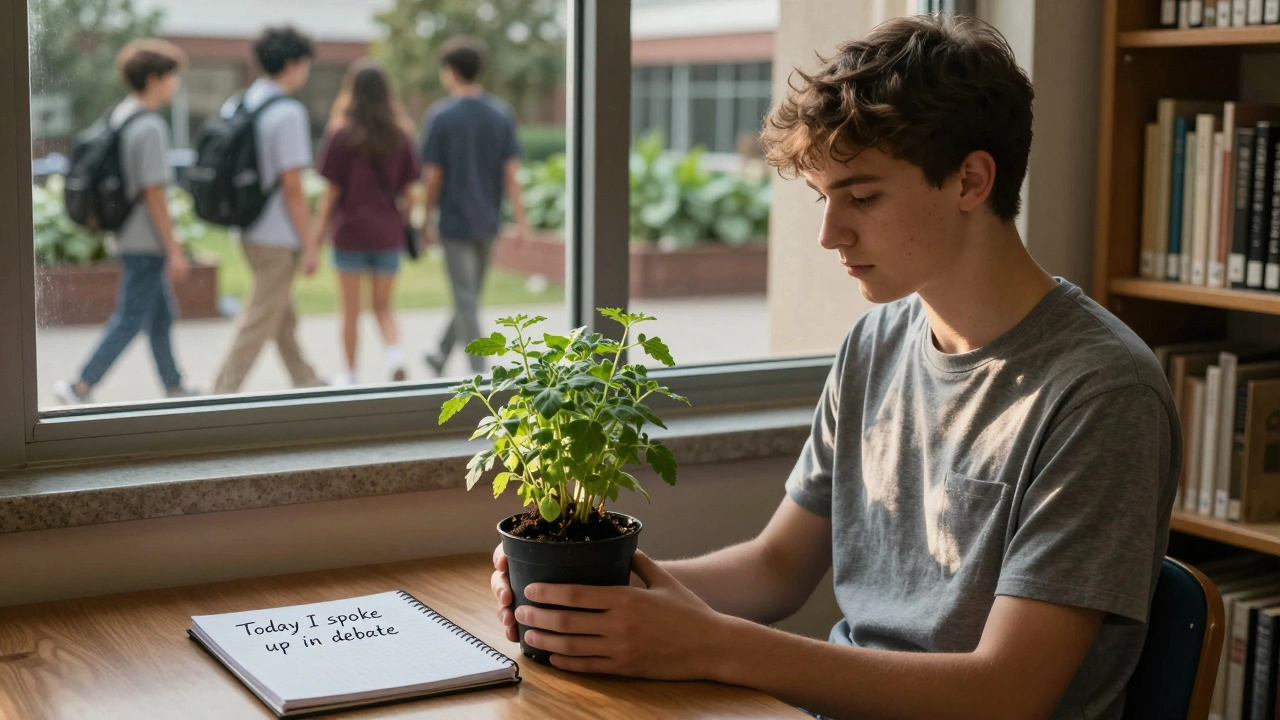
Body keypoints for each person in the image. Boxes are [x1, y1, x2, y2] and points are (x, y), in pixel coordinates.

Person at [488, 14, 1180, 720]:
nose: (828, 234)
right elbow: (776, 568)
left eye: (863, 196)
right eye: (823, 198)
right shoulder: (875, 343)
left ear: (971, 180)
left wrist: (708, 647)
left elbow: (1006, 693)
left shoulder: (1102, 391)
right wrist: (598, 597)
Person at [54, 39, 199, 404]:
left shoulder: (121, 114)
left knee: (160, 317)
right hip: (144, 239)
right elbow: (154, 193)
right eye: (172, 77)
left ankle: (175, 387)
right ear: (153, 79)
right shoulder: (149, 126)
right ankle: (80, 385)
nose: (175, 85)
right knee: (130, 317)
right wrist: (174, 248)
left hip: (125, 232)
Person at [211, 26, 323, 395]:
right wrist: (309, 243)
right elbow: (292, 186)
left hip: (247, 228)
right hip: (277, 234)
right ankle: (220, 394)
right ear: (293, 63)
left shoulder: (240, 102)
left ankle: (306, 379)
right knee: (260, 318)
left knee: (281, 314)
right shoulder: (288, 112)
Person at [418, 36, 530, 377]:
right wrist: (521, 219)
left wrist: (425, 219)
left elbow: (433, 177)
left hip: (455, 223)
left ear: (450, 71)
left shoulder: (440, 116)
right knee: (468, 297)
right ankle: (440, 354)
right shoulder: (501, 113)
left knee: (466, 298)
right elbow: (511, 174)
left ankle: (480, 371)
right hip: (488, 221)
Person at [314, 58, 419, 386]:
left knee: (350, 310)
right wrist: (401, 219)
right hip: (387, 232)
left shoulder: (340, 135)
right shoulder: (401, 135)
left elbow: (330, 194)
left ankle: (350, 374)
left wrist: (315, 240)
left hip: (349, 233)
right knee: (383, 306)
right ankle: (395, 356)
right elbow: (410, 193)